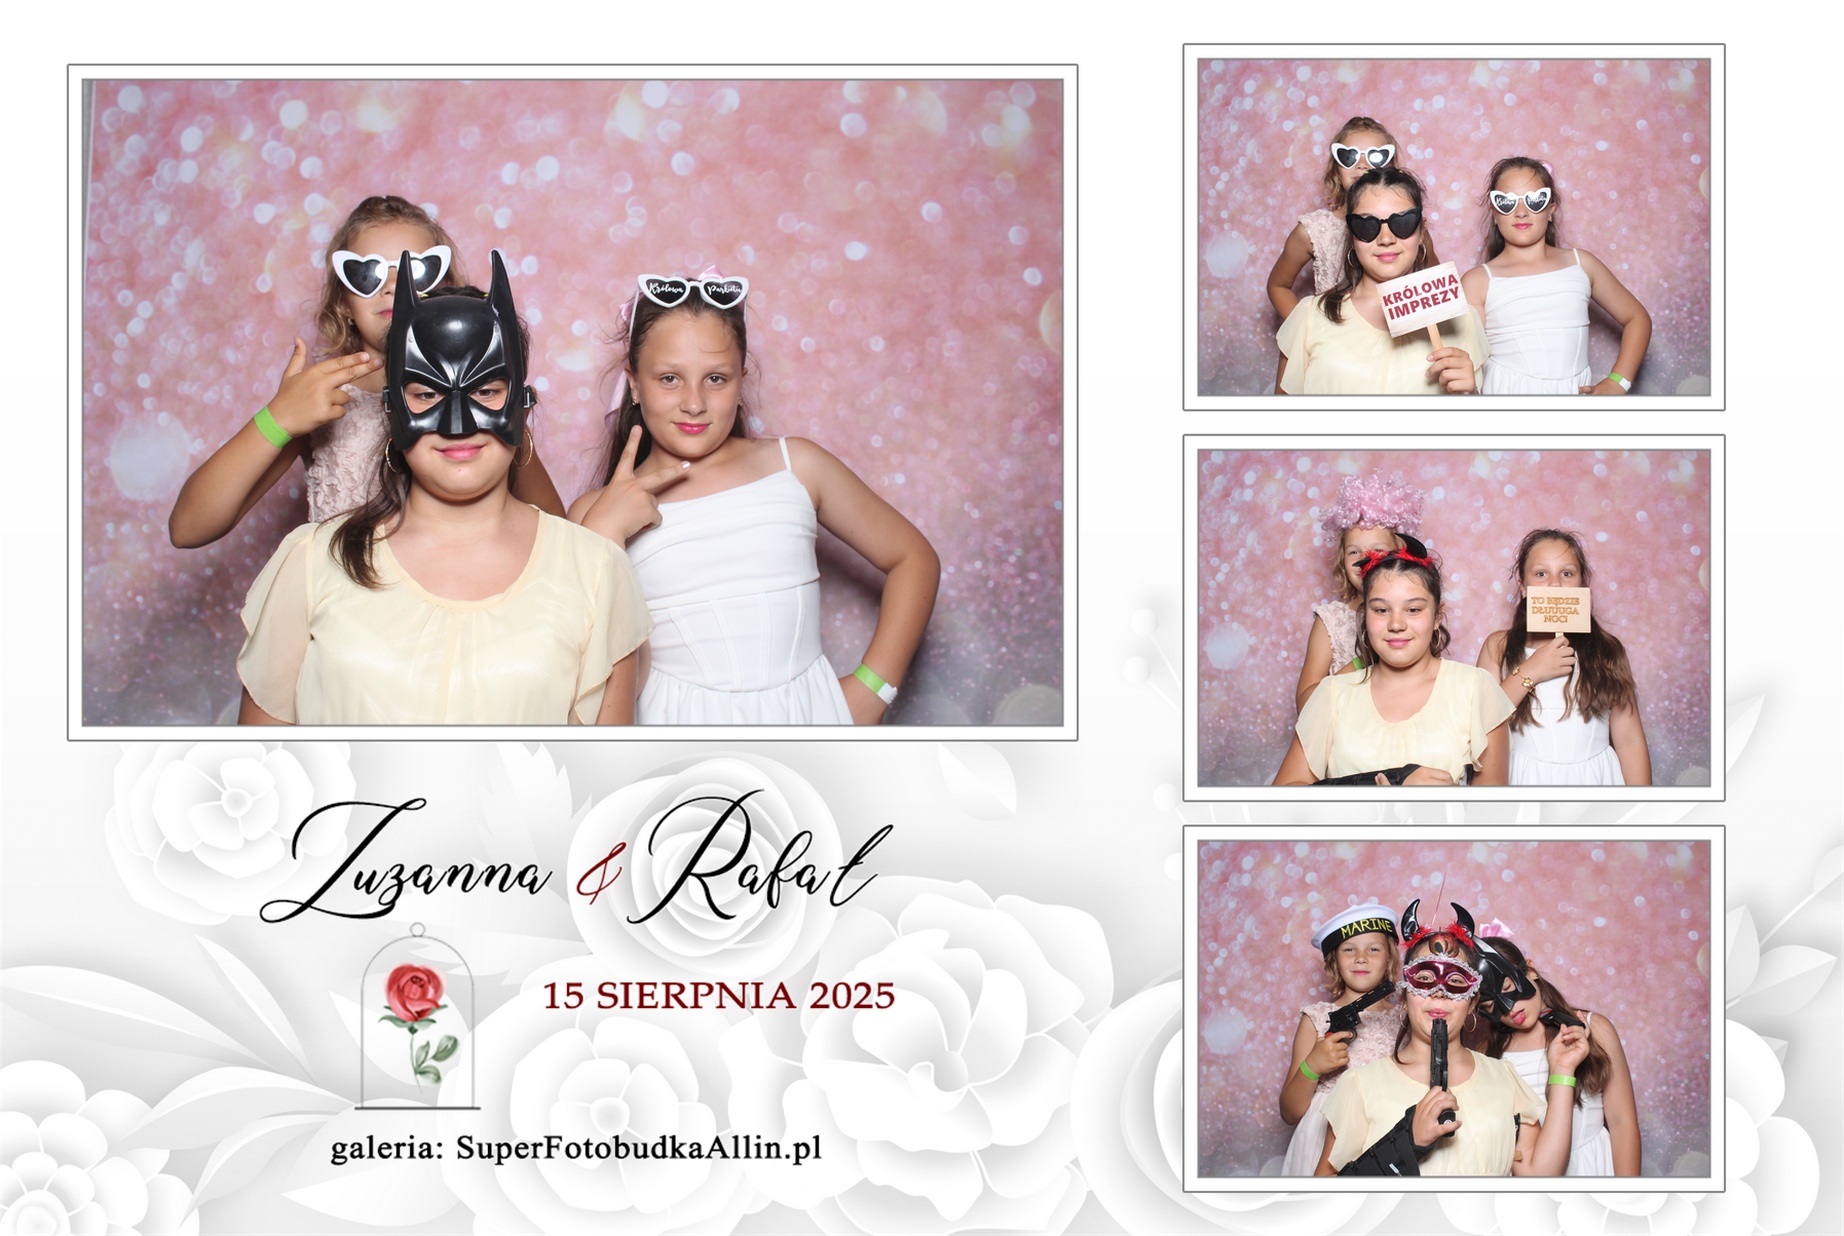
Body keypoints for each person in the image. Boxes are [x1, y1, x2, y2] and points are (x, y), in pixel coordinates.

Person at [236, 253, 648, 724]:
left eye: (486, 391)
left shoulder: (597, 570)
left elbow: (602, 766)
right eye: (427, 394)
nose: (457, 424)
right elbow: (261, 761)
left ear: (522, 404)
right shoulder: (311, 562)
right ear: (393, 407)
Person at [570, 273, 939, 724]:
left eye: (716, 379)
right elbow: (585, 671)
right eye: (669, 378)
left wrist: (873, 690)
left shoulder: (796, 466)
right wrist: (604, 533)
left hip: (809, 727)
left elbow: (913, 557)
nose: (694, 402)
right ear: (633, 383)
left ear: (741, 380)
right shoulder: (594, 513)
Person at [169, 195, 562, 548]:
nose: (392, 286)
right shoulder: (322, 400)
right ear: (343, 303)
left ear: (446, 291)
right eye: (366, 274)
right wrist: (279, 418)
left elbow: (556, 535)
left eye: (417, 270)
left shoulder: (484, 397)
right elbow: (189, 529)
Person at [1315, 901, 1589, 1176]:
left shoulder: (1504, 1077)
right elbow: (1326, 1194)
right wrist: (1406, 1143)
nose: (1439, 992)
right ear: (1405, 996)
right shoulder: (1360, 1085)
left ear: (1472, 1003)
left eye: (1456, 981)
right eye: (1424, 978)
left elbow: (1541, 1177)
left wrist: (1563, 1072)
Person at [1276, 539, 1513, 785]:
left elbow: (1493, 804)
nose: (1396, 624)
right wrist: (1393, 782)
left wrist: (1445, 800)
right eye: (1381, 610)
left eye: (1413, 610)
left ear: (1437, 616)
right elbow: (1282, 796)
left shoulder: (1475, 688)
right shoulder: (1332, 693)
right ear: (1365, 616)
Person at [1275, 168, 1487, 395]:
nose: (1386, 239)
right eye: (1367, 226)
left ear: (1421, 230)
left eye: (1403, 223)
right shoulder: (1310, 316)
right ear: (1351, 234)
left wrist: (1469, 396)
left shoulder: (1461, 319)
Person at [1460, 157, 1652, 395]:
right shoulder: (1477, 282)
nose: (1521, 212)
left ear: (1550, 210)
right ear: (1495, 215)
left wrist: (1618, 382)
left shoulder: (1582, 265)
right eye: (1507, 202)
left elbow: (1637, 318)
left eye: (1534, 200)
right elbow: (1467, 364)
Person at [1476, 529, 1651, 785]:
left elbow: (1630, 740)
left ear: (1582, 584)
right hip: (1523, 781)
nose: (1555, 584)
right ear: (1523, 586)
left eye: (1567, 574)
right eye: (1541, 574)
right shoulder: (1498, 647)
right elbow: (1480, 725)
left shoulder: (1607, 649)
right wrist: (1530, 671)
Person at [1476, 931, 1642, 1175]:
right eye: (1490, 1006)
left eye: (1509, 988)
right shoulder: (1487, 1057)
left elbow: (1622, 1122)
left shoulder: (1595, 1029)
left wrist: (1628, 1193)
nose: (1509, 1009)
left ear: (1530, 970)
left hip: (1597, 1169)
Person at [1279, 902, 1404, 1174]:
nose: (1361, 958)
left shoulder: (1406, 1020)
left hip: (1384, 1135)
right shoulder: (1315, 1019)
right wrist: (1311, 1067)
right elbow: (1289, 1112)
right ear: (1334, 960)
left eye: (1373, 949)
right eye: (1349, 949)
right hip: (1320, 1141)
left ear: (1390, 958)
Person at [1294, 472, 1425, 712]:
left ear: (1400, 553)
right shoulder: (1331, 622)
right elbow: (1305, 706)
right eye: (1354, 552)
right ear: (1342, 560)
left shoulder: (1415, 614)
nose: (1365, 559)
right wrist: (1364, 660)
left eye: (1378, 550)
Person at [1265, 117, 1407, 319]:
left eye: (1376, 157)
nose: (1362, 165)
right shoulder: (1314, 230)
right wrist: (1305, 331)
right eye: (1349, 156)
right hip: (1334, 336)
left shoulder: (1408, 225)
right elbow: (1278, 285)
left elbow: (1435, 282)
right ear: (1336, 170)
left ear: (1391, 168)